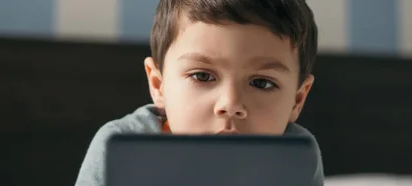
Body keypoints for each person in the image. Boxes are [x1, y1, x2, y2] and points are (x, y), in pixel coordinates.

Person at [74, 0, 322, 185]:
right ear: (159, 86)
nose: (230, 103)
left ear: (297, 100)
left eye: (262, 83)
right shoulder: (117, 148)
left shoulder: (297, 156)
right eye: (202, 76)